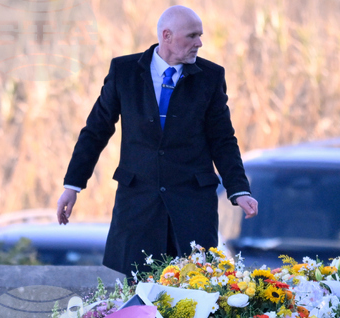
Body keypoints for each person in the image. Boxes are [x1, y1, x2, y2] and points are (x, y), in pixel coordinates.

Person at [56, 5, 259, 277]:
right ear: (167, 36)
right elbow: (96, 130)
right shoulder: (124, 72)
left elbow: (223, 140)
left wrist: (239, 190)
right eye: (192, 36)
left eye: (200, 35)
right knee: (137, 294)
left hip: (192, 208)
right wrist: (73, 186)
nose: (199, 43)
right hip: (138, 207)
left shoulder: (210, 77)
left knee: (194, 293)